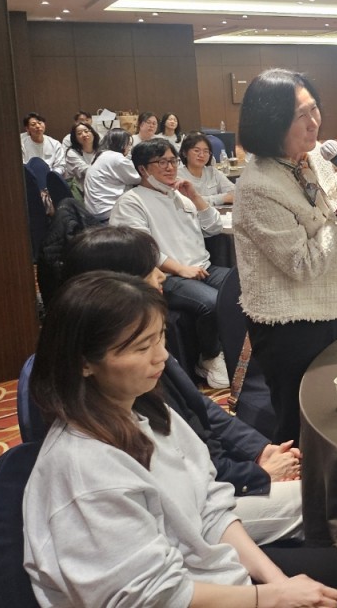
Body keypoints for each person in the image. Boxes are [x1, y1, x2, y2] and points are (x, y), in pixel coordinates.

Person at [23, 272, 337, 607]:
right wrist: (268, 596)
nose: (161, 356)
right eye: (142, 347)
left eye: (161, 337)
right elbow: (151, 596)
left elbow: (210, 507)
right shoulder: (85, 470)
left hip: (209, 574)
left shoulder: (148, 411)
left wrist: (277, 582)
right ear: (84, 363)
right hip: (185, 591)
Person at [61, 226, 303, 545]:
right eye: (150, 269)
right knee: (325, 498)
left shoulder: (142, 345)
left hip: (210, 488)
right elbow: (179, 471)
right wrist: (258, 475)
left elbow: (200, 413)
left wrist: (260, 451)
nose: (162, 276)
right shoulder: (117, 388)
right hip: (190, 512)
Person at [234, 69, 337, 444]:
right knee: (303, 422)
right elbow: (302, 263)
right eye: (299, 115)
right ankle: (304, 482)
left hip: (330, 306)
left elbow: (326, 233)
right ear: (269, 122)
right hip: (290, 324)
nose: (313, 122)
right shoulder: (257, 186)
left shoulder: (315, 158)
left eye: (314, 109)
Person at [109, 138, 231, 389]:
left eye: (173, 161)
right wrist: (180, 268)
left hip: (202, 266)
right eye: (162, 162)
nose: (170, 167)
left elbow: (214, 227)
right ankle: (208, 358)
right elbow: (141, 249)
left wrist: (195, 196)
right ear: (143, 169)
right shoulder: (131, 201)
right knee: (210, 303)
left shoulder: (181, 196)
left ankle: (234, 348)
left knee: (241, 287)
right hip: (167, 275)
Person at [83, 128, 141, 221]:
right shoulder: (117, 158)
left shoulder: (100, 155)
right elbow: (137, 179)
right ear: (121, 143)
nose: (129, 148)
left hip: (94, 211)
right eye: (129, 144)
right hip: (108, 212)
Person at [179, 131, 236, 206]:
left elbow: (235, 193)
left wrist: (205, 199)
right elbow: (187, 202)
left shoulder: (213, 172)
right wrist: (222, 198)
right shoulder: (179, 176)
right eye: (196, 151)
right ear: (184, 153)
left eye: (206, 151)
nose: (201, 155)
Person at [61, 121, 100, 186]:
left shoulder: (100, 150)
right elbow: (86, 171)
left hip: (100, 183)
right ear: (75, 138)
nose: (84, 135)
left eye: (86, 131)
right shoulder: (72, 153)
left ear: (93, 133)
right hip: (82, 187)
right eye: (79, 133)